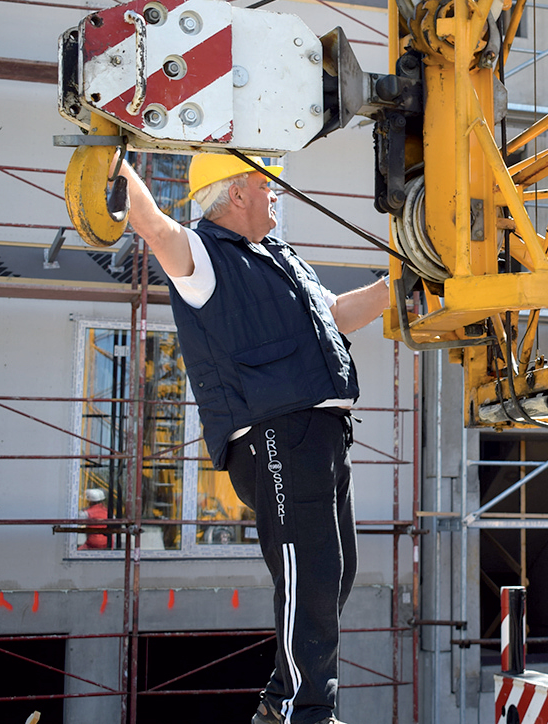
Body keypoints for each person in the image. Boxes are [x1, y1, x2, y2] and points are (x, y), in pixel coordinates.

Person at [120, 153, 389, 724]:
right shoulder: (202, 256)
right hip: (275, 433)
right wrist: (117, 163)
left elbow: (337, 316)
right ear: (236, 193)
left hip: (320, 435)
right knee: (308, 569)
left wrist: (401, 285)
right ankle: (302, 711)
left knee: (332, 574)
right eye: (265, 186)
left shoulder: (282, 260)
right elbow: (154, 227)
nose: (275, 196)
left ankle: (281, 699)